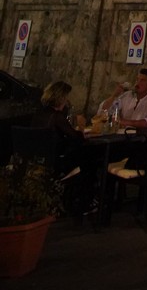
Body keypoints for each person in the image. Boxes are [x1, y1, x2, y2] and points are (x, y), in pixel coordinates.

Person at [31, 80, 97, 212]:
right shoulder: (57, 117)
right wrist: (82, 128)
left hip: (36, 158)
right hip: (54, 163)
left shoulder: (40, 113)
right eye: (66, 97)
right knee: (90, 161)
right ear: (61, 98)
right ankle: (84, 202)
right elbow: (77, 138)